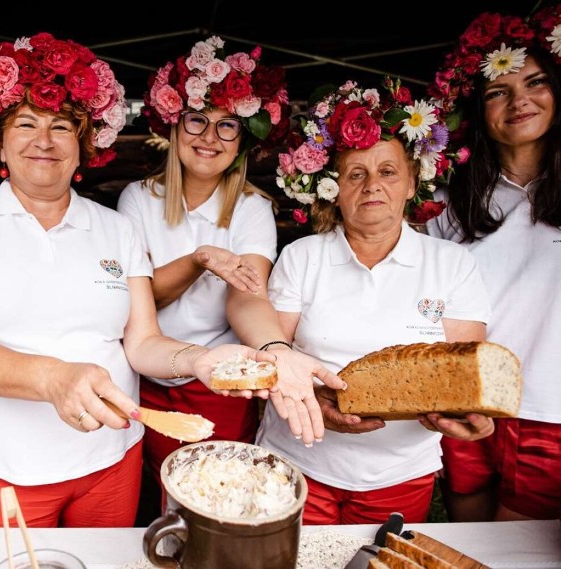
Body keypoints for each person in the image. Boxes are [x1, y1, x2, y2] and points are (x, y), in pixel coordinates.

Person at [0, 32, 269, 529]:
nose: (44, 141)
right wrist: (54, 378)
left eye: (62, 126)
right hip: (11, 470)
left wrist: (199, 359)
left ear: (85, 144)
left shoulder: (115, 228)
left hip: (112, 460)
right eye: (26, 124)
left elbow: (142, 341)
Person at [233, 77, 497, 525]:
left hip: (400, 471)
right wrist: (315, 397)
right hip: (299, 460)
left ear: (413, 184)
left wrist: (467, 413)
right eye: (356, 174)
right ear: (336, 192)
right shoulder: (303, 257)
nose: (372, 185)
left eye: (388, 172)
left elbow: (462, 372)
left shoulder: (453, 264)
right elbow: (270, 350)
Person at [119, 36, 344, 491]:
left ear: (242, 142)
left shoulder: (251, 208)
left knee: (216, 486)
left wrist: (275, 350)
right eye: (198, 120)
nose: (209, 137)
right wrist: (200, 259)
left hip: (222, 378)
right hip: (148, 369)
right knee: (153, 486)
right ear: (173, 127)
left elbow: (248, 297)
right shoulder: (138, 200)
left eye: (227, 126)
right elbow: (145, 299)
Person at [425, 5, 561, 521]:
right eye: (497, 91)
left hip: (550, 406)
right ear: (478, 110)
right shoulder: (447, 200)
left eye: (536, 83)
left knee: (516, 544)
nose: (519, 100)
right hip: (469, 396)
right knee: (469, 534)